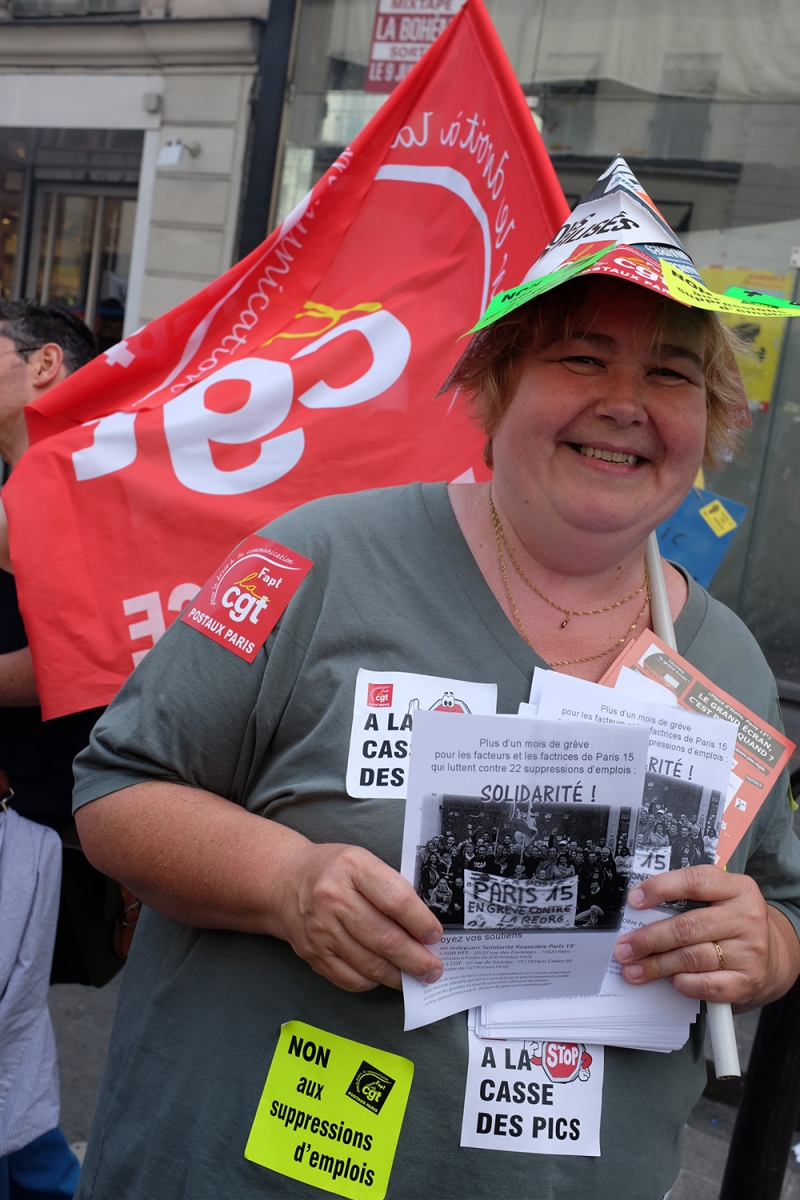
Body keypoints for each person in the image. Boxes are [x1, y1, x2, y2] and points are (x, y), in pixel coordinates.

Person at [70, 177, 800, 1197]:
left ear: (710, 421)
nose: (625, 403)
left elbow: (776, 906)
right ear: (495, 385)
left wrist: (756, 946)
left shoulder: (720, 664)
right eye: (579, 355)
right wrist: (287, 882)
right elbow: (116, 793)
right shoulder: (316, 559)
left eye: (670, 374)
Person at [0, 301, 98, 1199]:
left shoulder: (85, 479)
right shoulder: (21, 476)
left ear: (43, 365)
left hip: (35, 820)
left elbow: (83, 650)